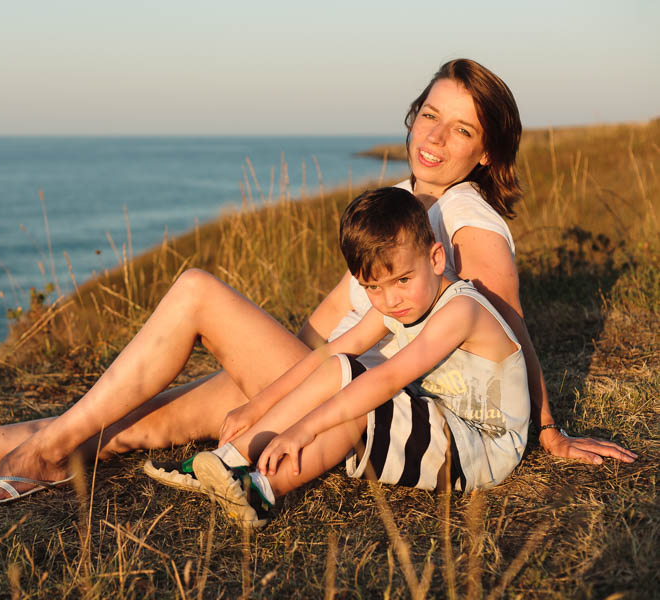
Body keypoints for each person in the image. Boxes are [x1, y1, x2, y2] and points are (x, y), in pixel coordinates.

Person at [0, 59, 636, 506]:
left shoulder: (463, 216)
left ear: (487, 153)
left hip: (360, 389)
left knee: (192, 290)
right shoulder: (413, 208)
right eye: (429, 114)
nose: (433, 136)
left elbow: (508, 321)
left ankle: (39, 453)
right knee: (142, 419)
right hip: (311, 365)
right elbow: (348, 318)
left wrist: (546, 431)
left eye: (460, 128)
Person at [183, 186, 529, 528]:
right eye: (373, 288)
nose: (390, 300)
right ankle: (230, 458)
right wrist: (256, 406)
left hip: (483, 446)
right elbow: (329, 353)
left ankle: (262, 490)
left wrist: (303, 428)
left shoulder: (461, 310)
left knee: (360, 403)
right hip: (441, 418)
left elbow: (387, 379)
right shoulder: (401, 304)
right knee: (341, 370)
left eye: (402, 280)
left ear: (436, 259)